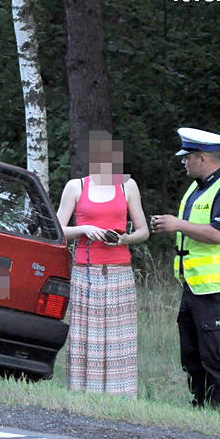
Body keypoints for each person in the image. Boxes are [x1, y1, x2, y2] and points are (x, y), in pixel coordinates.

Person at [150, 127, 220, 413]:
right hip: (194, 285)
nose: (183, 162)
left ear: (203, 158)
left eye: (187, 157)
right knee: (193, 355)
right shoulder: (197, 187)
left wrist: (177, 225)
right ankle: (203, 407)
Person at [56, 131, 149, 397]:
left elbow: (143, 231)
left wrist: (123, 239)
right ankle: (84, 391)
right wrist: (84, 228)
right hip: (86, 271)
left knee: (119, 337)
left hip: (119, 269)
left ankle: (120, 394)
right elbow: (59, 230)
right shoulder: (77, 187)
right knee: (89, 336)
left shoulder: (126, 187)